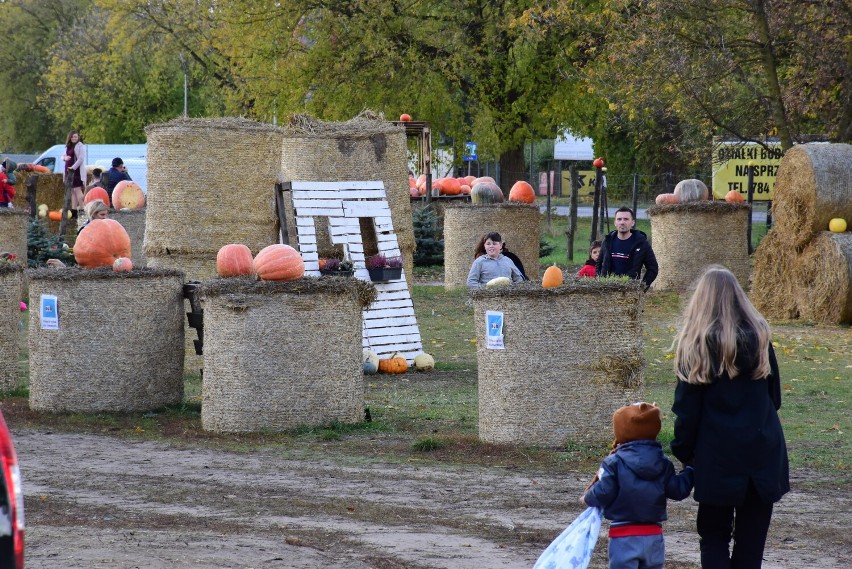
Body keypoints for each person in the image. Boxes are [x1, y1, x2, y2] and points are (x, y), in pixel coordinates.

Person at [670, 265, 789, 568]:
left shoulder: (696, 347)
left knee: (713, 536)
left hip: (717, 456)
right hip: (762, 453)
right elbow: (774, 399)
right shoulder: (760, 339)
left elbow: (687, 412)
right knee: (751, 542)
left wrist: (684, 453)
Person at [581, 402, 694, 569]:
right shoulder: (662, 462)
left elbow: (604, 491)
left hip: (623, 535)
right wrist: (690, 470)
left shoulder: (614, 462)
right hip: (654, 536)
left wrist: (587, 498)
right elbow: (678, 490)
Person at [596, 206, 658, 289]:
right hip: (607, 290)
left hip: (629, 292)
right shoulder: (607, 241)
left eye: (626, 219)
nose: (622, 222)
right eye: (619, 219)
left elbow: (653, 268)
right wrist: (600, 281)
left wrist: (642, 288)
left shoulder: (641, 243)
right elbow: (599, 263)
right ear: (615, 222)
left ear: (632, 222)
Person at [62, 130, 87, 216]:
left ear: (78, 137)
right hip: (68, 170)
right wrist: (64, 158)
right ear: (70, 137)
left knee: (77, 189)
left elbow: (81, 159)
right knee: (72, 190)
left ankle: (82, 209)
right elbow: (63, 155)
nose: (74, 138)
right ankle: (74, 210)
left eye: (75, 137)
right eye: (72, 137)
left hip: (76, 171)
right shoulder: (68, 146)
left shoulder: (81, 146)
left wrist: (73, 168)